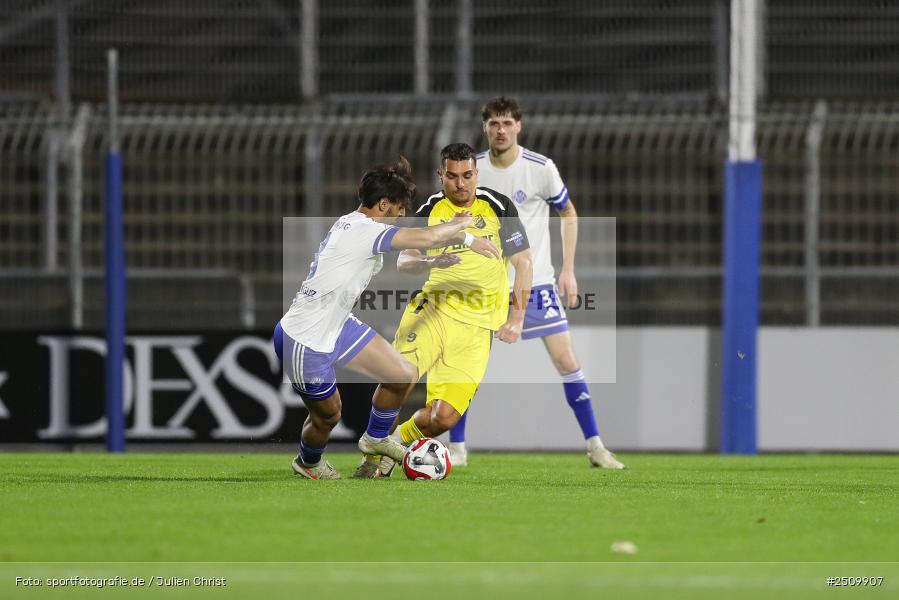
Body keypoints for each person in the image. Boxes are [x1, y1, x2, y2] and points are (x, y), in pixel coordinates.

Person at [274, 157, 499, 479]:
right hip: (304, 336)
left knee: (402, 373)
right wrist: (465, 235)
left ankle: (376, 438)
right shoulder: (365, 230)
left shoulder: (355, 223)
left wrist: (449, 231)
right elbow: (424, 240)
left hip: (337, 325)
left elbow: (423, 241)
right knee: (328, 417)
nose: (402, 216)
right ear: (383, 205)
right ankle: (308, 463)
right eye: (399, 208)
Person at [449, 96, 625, 469]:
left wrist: (568, 269)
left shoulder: (540, 168)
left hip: (538, 282)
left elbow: (569, 213)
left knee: (566, 359)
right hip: (486, 286)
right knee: (464, 366)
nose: (500, 130)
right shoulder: (472, 170)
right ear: (485, 128)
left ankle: (595, 446)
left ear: (519, 127)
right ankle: (457, 448)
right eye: (494, 123)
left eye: (507, 123)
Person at [354, 143, 533, 478]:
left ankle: (393, 441)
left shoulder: (498, 206)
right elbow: (406, 262)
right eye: (452, 176)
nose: (460, 183)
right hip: (432, 312)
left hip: (477, 327)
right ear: (441, 176)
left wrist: (517, 317)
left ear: (476, 174)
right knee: (398, 380)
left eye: (467, 175)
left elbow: (524, 263)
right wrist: (434, 260)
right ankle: (371, 457)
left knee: (444, 418)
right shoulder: (431, 209)